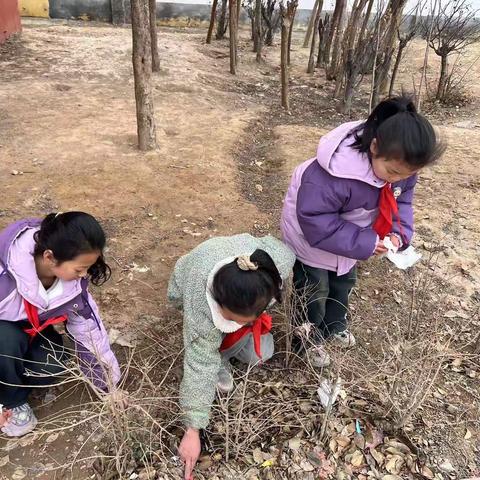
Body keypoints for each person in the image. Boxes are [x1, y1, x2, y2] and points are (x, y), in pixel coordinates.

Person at [281, 96, 444, 366]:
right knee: (314, 288)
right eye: (392, 172)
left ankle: (333, 326)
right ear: (374, 146)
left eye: (407, 175)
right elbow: (315, 220)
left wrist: (397, 233)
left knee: (343, 281)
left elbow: (401, 201)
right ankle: (308, 339)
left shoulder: (400, 165)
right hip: (309, 239)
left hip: (350, 238)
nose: (398, 179)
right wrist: (366, 242)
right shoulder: (333, 175)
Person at [167, 234, 295, 479]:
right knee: (205, 347)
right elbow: (198, 363)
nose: (234, 322)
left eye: (242, 320)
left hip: (238, 277)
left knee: (261, 353)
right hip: (189, 277)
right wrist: (193, 428)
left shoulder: (271, 265)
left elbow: (288, 253)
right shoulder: (200, 299)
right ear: (217, 300)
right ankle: (220, 357)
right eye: (231, 318)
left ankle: (229, 342)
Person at [0, 212, 121, 437]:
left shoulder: (73, 288)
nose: (84, 275)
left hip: (33, 332)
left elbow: (89, 332)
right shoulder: (4, 277)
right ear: (50, 257)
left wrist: (107, 387)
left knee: (52, 366)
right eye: (78, 269)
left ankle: (10, 377)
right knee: (5, 340)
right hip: (4, 336)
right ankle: (11, 400)